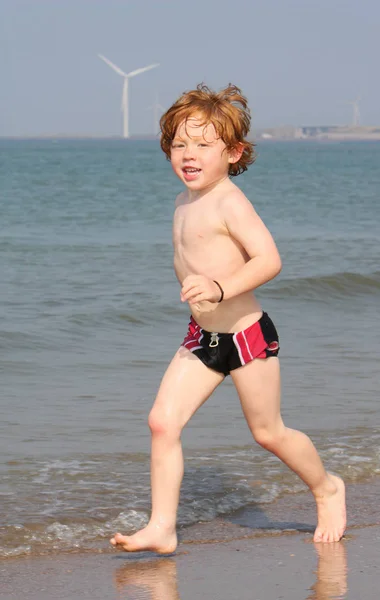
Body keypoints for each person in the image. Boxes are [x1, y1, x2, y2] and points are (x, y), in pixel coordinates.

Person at [110, 84, 346, 553]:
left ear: (234, 152)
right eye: (179, 144)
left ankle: (328, 488)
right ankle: (162, 526)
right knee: (162, 422)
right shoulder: (182, 203)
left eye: (203, 144)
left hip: (245, 337)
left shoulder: (230, 201)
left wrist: (219, 287)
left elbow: (269, 260)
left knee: (268, 432)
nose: (188, 154)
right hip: (203, 337)